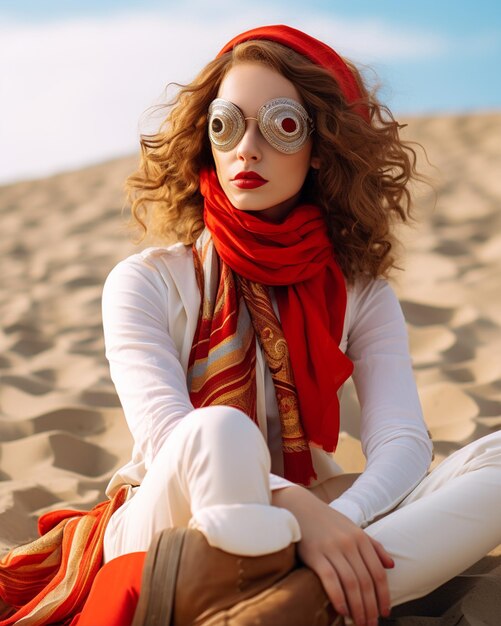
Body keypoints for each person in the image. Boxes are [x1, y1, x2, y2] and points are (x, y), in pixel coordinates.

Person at [4, 23, 500, 626]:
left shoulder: (361, 294)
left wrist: (337, 523)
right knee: (220, 434)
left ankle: (291, 603)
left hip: (313, 516)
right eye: (227, 124)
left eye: (282, 125)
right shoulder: (146, 281)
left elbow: (401, 442)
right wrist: (306, 514)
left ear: (321, 146)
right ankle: (321, 588)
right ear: (206, 136)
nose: (247, 148)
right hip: (164, 516)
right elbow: (170, 439)